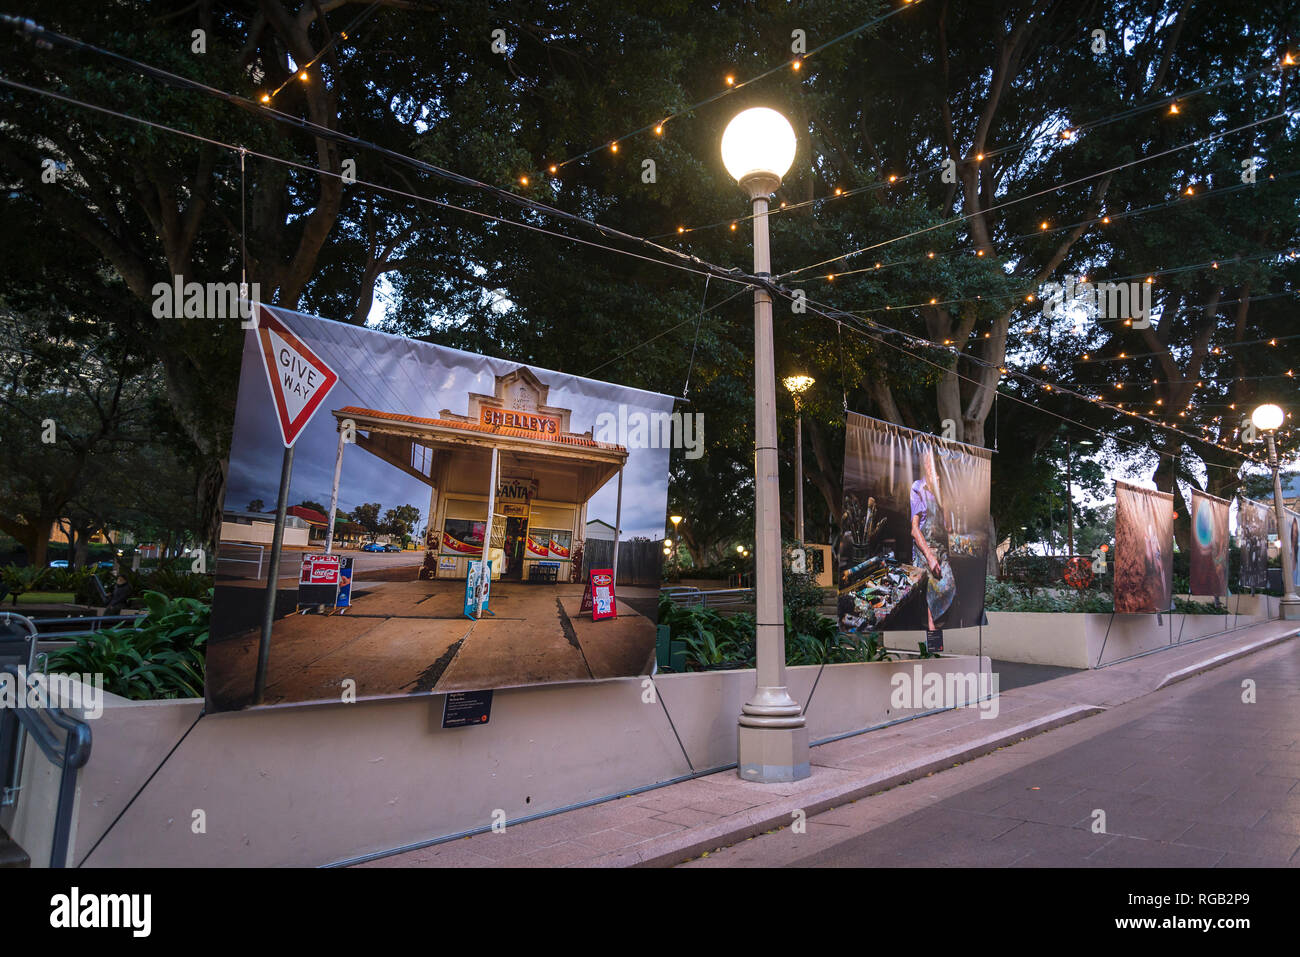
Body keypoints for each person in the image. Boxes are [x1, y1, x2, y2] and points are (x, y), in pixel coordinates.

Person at [910, 447, 951, 641]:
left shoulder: (943, 492)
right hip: (923, 552)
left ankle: (935, 647)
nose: (930, 467)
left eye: (933, 464)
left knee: (948, 588)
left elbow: (949, 528)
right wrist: (929, 556)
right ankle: (933, 646)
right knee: (928, 593)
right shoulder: (918, 487)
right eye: (927, 463)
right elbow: (914, 529)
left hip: (941, 551)